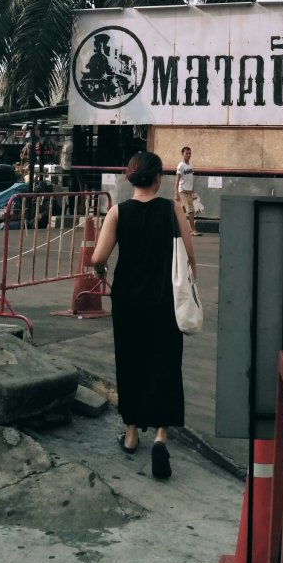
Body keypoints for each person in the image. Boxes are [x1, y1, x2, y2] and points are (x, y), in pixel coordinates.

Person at [91, 150, 196, 480]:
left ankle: (132, 433)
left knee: (131, 361)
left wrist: (100, 271)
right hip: (165, 299)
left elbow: (98, 257)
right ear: (158, 179)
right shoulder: (172, 209)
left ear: (130, 178)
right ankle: (161, 435)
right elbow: (189, 254)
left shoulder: (118, 213)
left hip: (128, 301)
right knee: (165, 361)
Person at [175, 145, 200, 236]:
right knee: (191, 210)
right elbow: (177, 180)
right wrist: (176, 193)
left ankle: (175, 226)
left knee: (182, 210)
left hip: (189, 191)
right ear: (182, 154)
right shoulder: (181, 166)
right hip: (183, 191)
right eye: (187, 153)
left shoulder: (190, 165)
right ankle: (193, 230)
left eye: (190, 153)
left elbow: (190, 179)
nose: (188, 155)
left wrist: (193, 192)